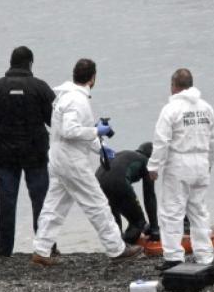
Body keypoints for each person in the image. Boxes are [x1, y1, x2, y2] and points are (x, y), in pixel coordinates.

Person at [31, 59, 143, 266]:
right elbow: (71, 131)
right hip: (72, 162)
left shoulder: (66, 96)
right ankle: (116, 248)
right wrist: (96, 131)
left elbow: (73, 131)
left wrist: (100, 147)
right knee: (97, 203)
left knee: (54, 205)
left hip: (58, 158)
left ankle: (41, 249)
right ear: (93, 78)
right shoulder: (77, 100)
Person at [0, 46, 56, 257]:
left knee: (7, 202)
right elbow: (55, 122)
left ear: (11, 62)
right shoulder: (40, 87)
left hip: (5, 155)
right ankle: (45, 248)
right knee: (41, 201)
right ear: (30, 63)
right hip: (36, 154)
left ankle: (3, 250)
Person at [147, 68, 214, 270]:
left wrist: (153, 166)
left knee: (172, 212)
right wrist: (210, 161)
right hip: (201, 162)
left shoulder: (171, 109)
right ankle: (205, 255)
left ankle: (174, 257)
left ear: (174, 86)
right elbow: (213, 139)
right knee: (199, 211)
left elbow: (161, 141)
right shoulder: (206, 108)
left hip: (179, 163)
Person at [96, 142, 160, 244]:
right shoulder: (148, 162)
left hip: (97, 183)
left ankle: (117, 248)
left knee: (114, 223)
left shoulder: (126, 154)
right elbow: (149, 196)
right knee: (138, 223)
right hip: (118, 182)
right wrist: (154, 229)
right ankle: (125, 246)